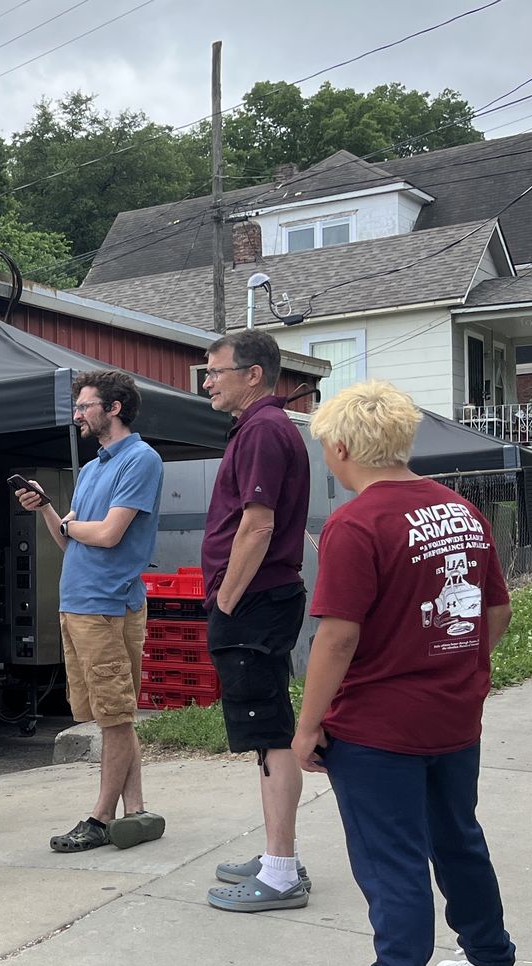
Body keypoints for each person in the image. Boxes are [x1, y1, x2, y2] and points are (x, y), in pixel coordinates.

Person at [290, 382, 520, 966]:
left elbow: (337, 637)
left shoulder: (356, 523)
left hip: (378, 727)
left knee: (392, 863)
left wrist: (308, 725)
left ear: (340, 447)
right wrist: (454, 669)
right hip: (454, 715)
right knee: (458, 840)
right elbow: (497, 612)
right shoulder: (461, 510)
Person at [17, 370, 168, 854]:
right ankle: (136, 811)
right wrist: (48, 510)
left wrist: (74, 525)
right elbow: (72, 541)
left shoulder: (140, 459)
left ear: (114, 408)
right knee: (109, 715)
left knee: (115, 716)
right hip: (79, 605)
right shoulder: (91, 469)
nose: (78, 415)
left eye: (84, 406)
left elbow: (107, 534)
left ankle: (100, 819)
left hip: (108, 606)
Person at [200, 329, 314, 914]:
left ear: (252, 374)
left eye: (215, 371)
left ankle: (281, 871)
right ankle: (277, 855)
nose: (207, 382)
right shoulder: (259, 427)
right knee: (266, 730)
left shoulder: (264, 429)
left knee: (268, 731)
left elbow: (258, 524)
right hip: (260, 599)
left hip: (253, 602)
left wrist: (225, 599)